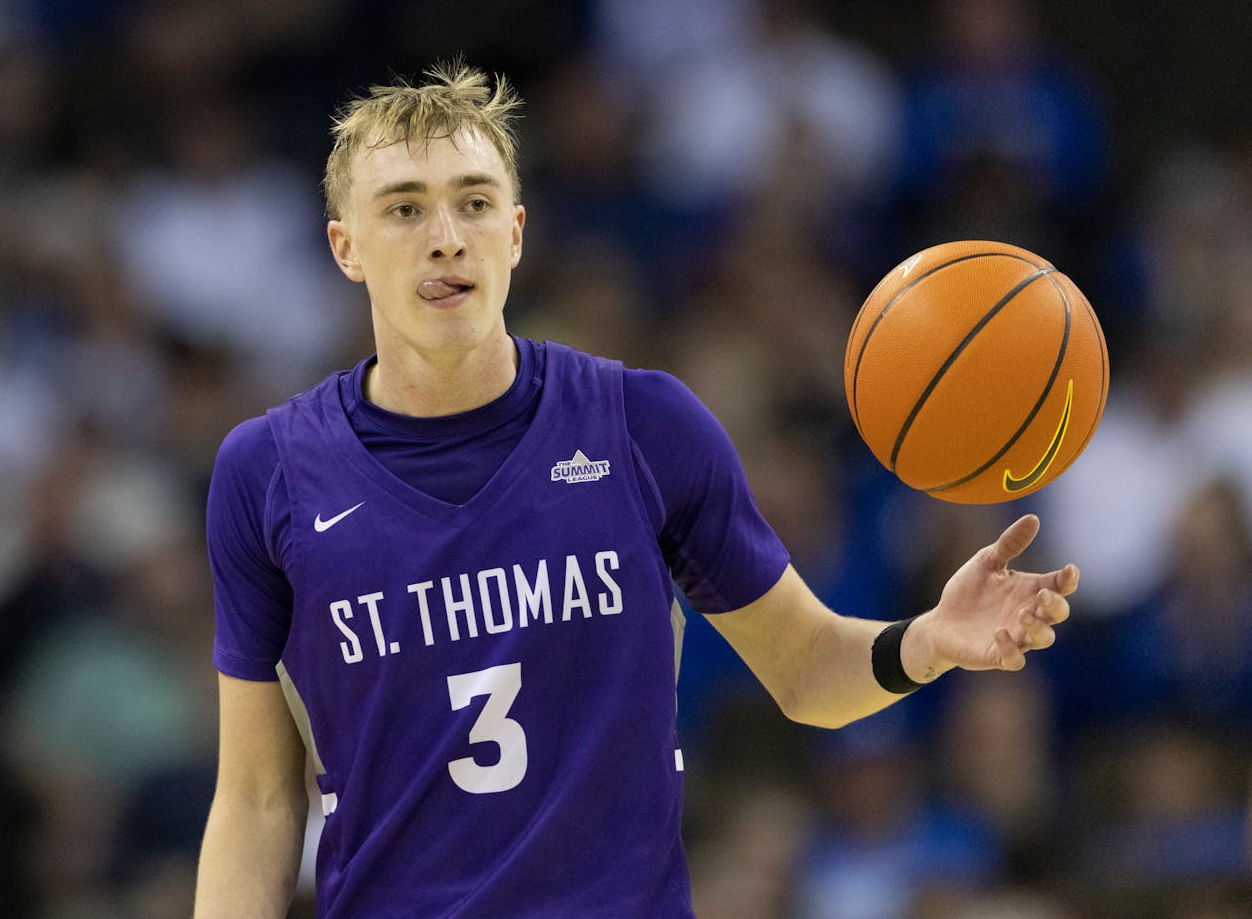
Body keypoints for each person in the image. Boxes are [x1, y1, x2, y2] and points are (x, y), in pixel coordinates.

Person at [192, 61, 1078, 919]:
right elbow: (260, 797)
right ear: (345, 246)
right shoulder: (265, 471)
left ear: (517, 233)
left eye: (474, 201)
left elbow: (807, 671)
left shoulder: (645, 424)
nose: (446, 235)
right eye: (404, 209)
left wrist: (924, 640)